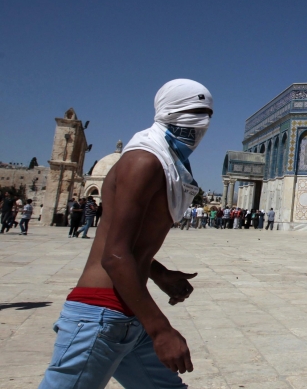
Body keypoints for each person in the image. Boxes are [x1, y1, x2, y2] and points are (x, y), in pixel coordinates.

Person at [39, 78, 213, 388]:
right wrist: (160, 330)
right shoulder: (143, 161)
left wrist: (158, 273)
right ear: (167, 111)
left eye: (206, 115)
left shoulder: (166, 163)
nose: (200, 123)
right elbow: (114, 255)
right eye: (193, 112)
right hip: (100, 315)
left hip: (128, 312)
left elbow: (125, 243)